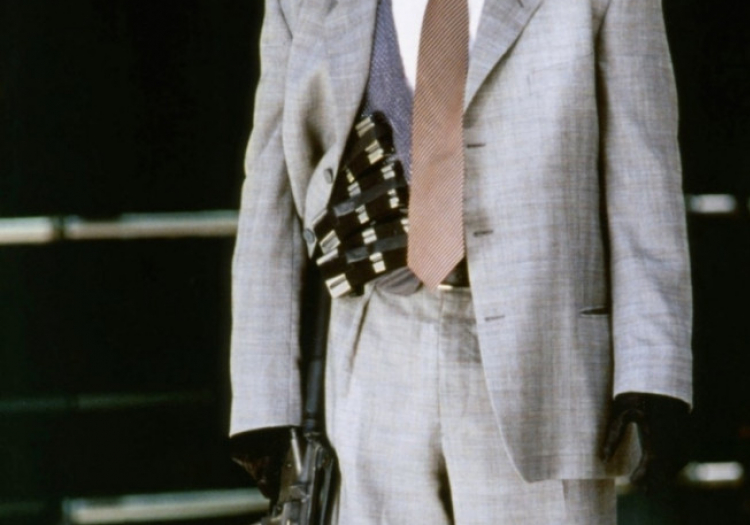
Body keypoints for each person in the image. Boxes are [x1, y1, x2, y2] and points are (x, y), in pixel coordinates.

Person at [229, 0, 693, 523]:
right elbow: (269, 194)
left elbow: (643, 177)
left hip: (543, 355)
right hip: (373, 349)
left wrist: (654, 370)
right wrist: (263, 401)